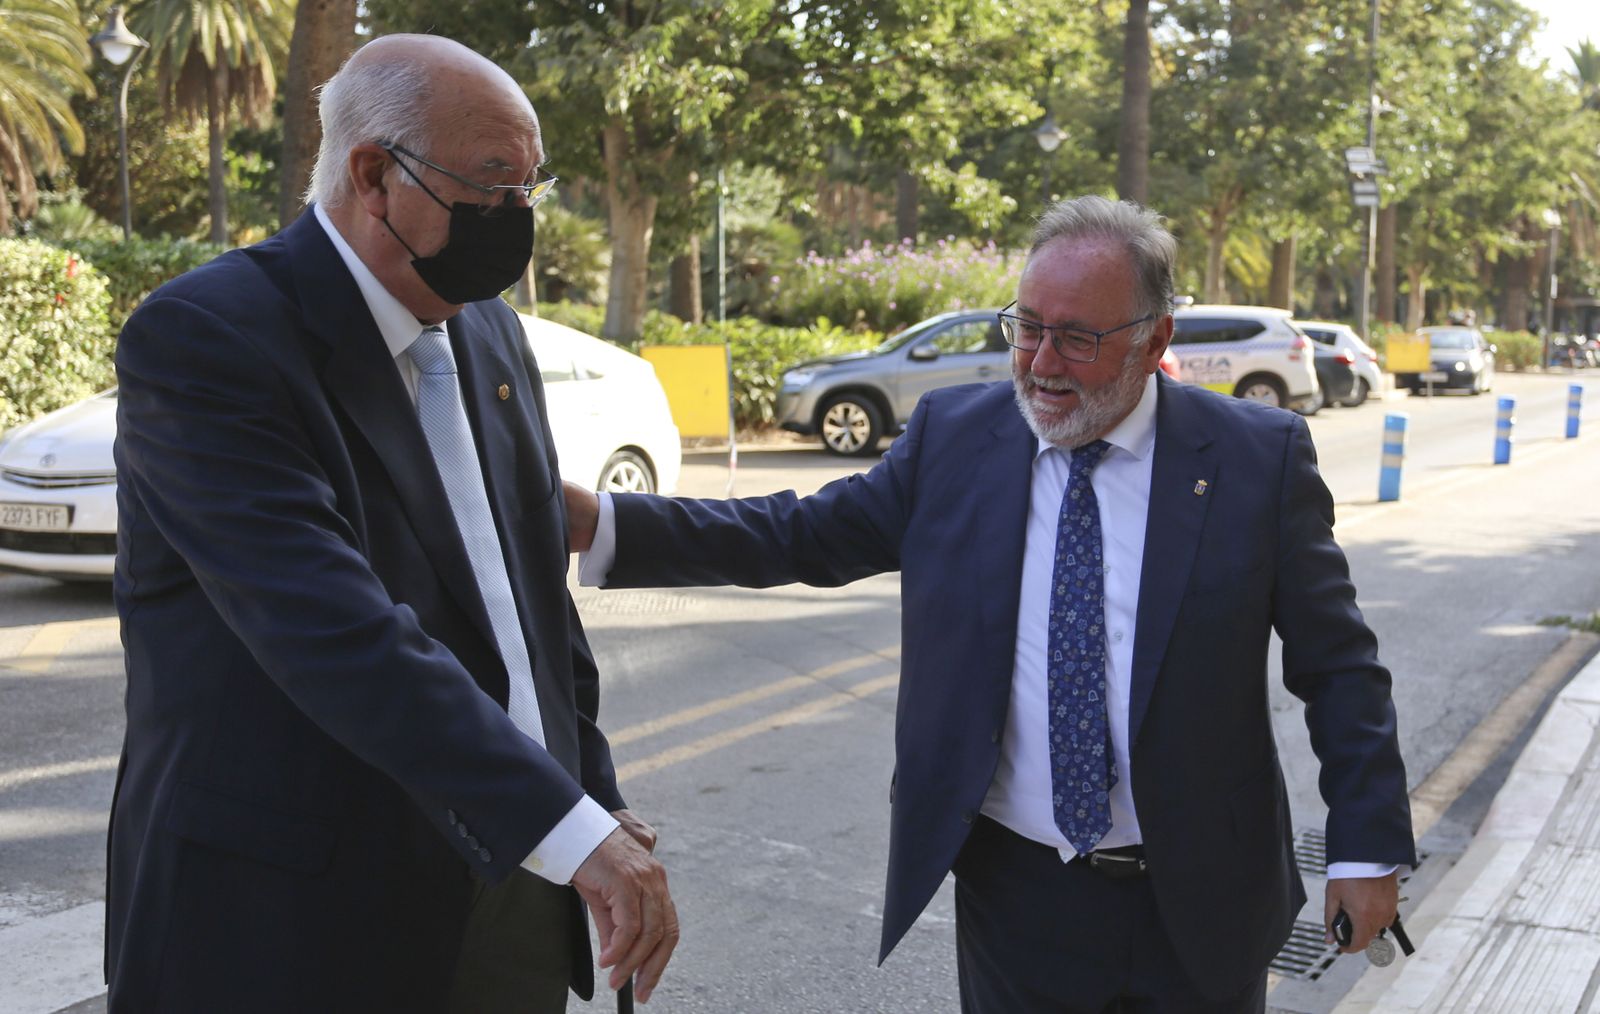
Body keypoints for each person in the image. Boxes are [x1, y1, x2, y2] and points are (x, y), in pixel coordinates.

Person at [566, 196, 1415, 1012]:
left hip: (1201, 894)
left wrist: (1368, 848)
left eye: (1077, 338)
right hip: (1018, 900)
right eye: (1028, 327)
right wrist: (605, 523)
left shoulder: (1253, 460)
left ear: (1155, 338)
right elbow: (801, 534)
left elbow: (1338, 665)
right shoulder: (956, 437)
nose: (1041, 363)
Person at [106, 35, 677, 1013]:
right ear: (373, 175)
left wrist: (591, 793)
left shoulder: (487, 326)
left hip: (513, 881)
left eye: (531, 186)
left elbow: (528, 601)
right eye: (493, 184)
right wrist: (569, 828)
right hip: (290, 916)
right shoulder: (210, 338)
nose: (518, 216)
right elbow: (332, 629)